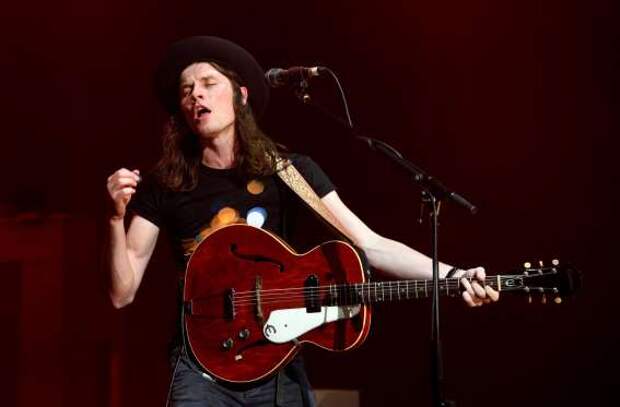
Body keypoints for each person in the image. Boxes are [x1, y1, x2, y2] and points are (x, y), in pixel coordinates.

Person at [106, 36, 499, 407]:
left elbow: (371, 244)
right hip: (200, 370)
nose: (196, 94)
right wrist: (115, 218)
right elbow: (122, 293)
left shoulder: (289, 172)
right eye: (186, 89)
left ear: (241, 96)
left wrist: (454, 275)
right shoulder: (165, 185)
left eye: (209, 83)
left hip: (276, 364)